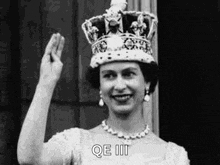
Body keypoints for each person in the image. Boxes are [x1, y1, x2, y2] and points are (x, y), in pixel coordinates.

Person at [17, 0, 190, 164]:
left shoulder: (173, 156)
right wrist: (46, 83)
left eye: (129, 74)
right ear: (99, 85)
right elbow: (30, 158)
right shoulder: (80, 143)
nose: (120, 85)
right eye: (109, 76)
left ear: (147, 82)